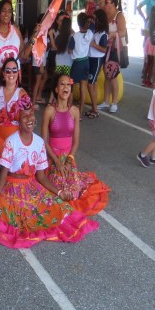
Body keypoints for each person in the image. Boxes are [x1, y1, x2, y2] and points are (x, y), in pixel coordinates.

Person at [0, 95, 99, 248]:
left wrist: (59, 192)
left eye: (31, 114)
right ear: (17, 120)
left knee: (59, 207)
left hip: (31, 185)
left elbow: (41, 176)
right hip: (12, 187)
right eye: (24, 116)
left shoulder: (40, 142)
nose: (29, 119)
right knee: (11, 216)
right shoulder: (11, 141)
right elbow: (3, 172)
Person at [41, 75, 109, 216]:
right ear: (56, 89)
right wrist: (57, 162)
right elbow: (43, 141)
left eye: (68, 85)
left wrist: (68, 160)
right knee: (58, 189)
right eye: (62, 84)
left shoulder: (75, 111)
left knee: (74, 192)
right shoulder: (49, 110)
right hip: (52, 158)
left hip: (68, 159)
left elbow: (76, 141)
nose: (65, 87)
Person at [99, 0, 127, 114]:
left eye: (107, 2)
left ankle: (114, 102)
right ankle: (106, 101)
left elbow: (122, 32)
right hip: (105, 48)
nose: (105, 4)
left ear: (114, 4)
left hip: (115, 49)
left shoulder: (119, 15)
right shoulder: (105, 14)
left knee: (113, 75)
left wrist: (112, 35)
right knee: (107, 75)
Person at [85, 9, 109, 118]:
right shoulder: (94, 30)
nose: (93, 21)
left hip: (97, 60)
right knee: (92, 84)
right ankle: (94, 108)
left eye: (95, 19)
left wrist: (93, 45)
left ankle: (95, 109)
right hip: (90, 58)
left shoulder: (103, 33)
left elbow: (104, 49)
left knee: (90, 84)